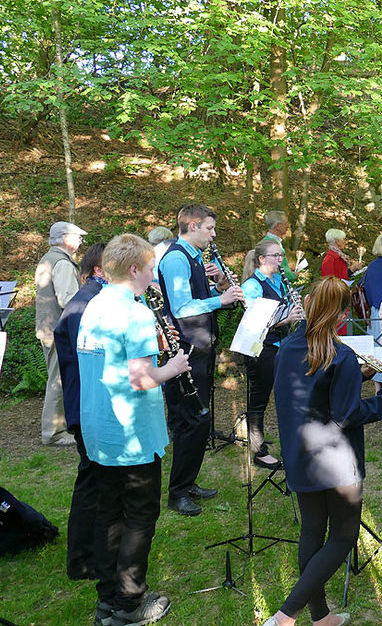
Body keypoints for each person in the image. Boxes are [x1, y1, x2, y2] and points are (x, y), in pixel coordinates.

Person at [263, 277, 382, 626]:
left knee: (312, 532)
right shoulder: (340, 355)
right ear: (344, 314)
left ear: (309, 303)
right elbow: (347, 414)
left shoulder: (287, 348)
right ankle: (286, 616)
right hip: (337, 463)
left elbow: (316, 387)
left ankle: (321, 618)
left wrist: (357, 376)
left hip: (301, 456)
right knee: (343, 536)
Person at [77, 234, 190, 626]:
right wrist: (173, 367)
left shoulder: (94, 303)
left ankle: (107, 598)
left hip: (99, 426)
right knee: (140, 516)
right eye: (151, 267)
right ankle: (129, 603)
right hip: (131, 431)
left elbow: (115, 360)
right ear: (135, 269)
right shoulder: (136, 311)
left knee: (109, 513)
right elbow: (142, 379)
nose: (154, 274)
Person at [157, 204, 244, 516]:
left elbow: (197, 297)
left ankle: (187, 482)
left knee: (198, 421)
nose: (214, 234)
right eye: (209, 228)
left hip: (200, 349)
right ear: (192, 226)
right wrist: (220, 299)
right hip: (185, 351)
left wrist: (219, 285)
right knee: (190, 420)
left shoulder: (193, 257)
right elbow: (181, 308)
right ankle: (177, 492)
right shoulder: (177, 258)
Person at [53, 242, 107, 581]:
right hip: (87, 405)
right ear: (101, 269)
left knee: (95, 479)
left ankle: (85, 554)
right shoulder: (87, 304)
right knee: (91, 480)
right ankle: (82, 559)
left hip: (87, 403)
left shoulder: (91, 297)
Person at [241, 239, 305, 470]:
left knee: (286, 393)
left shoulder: (278, 280)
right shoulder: (251, 286)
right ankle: (258, 451)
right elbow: (253, 322)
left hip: (280, 346)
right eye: (276, 256)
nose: (281, 261)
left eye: (281, 256)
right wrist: (285, 318)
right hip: (261, 349)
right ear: (261, 259)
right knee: (259, 399)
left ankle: (289, 441)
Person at [35, 220, 86, 445]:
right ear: (66, 239)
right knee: (58, 379)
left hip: (49, 327)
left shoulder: (49, 258)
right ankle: (53, 434)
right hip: (59, 330)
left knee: (58, 377)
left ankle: (60, 427)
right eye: (78, 237)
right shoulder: (63, 263)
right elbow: (69, 301)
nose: (81, 242)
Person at [263, 210, 297, 284]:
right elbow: (279, 273)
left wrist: (288, 269)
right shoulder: (273, 245)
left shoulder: (267, 242)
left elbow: (278, 267)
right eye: (285, 223)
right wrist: (293, 275)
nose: (288, 226)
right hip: (277, 288)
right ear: (277, 226)